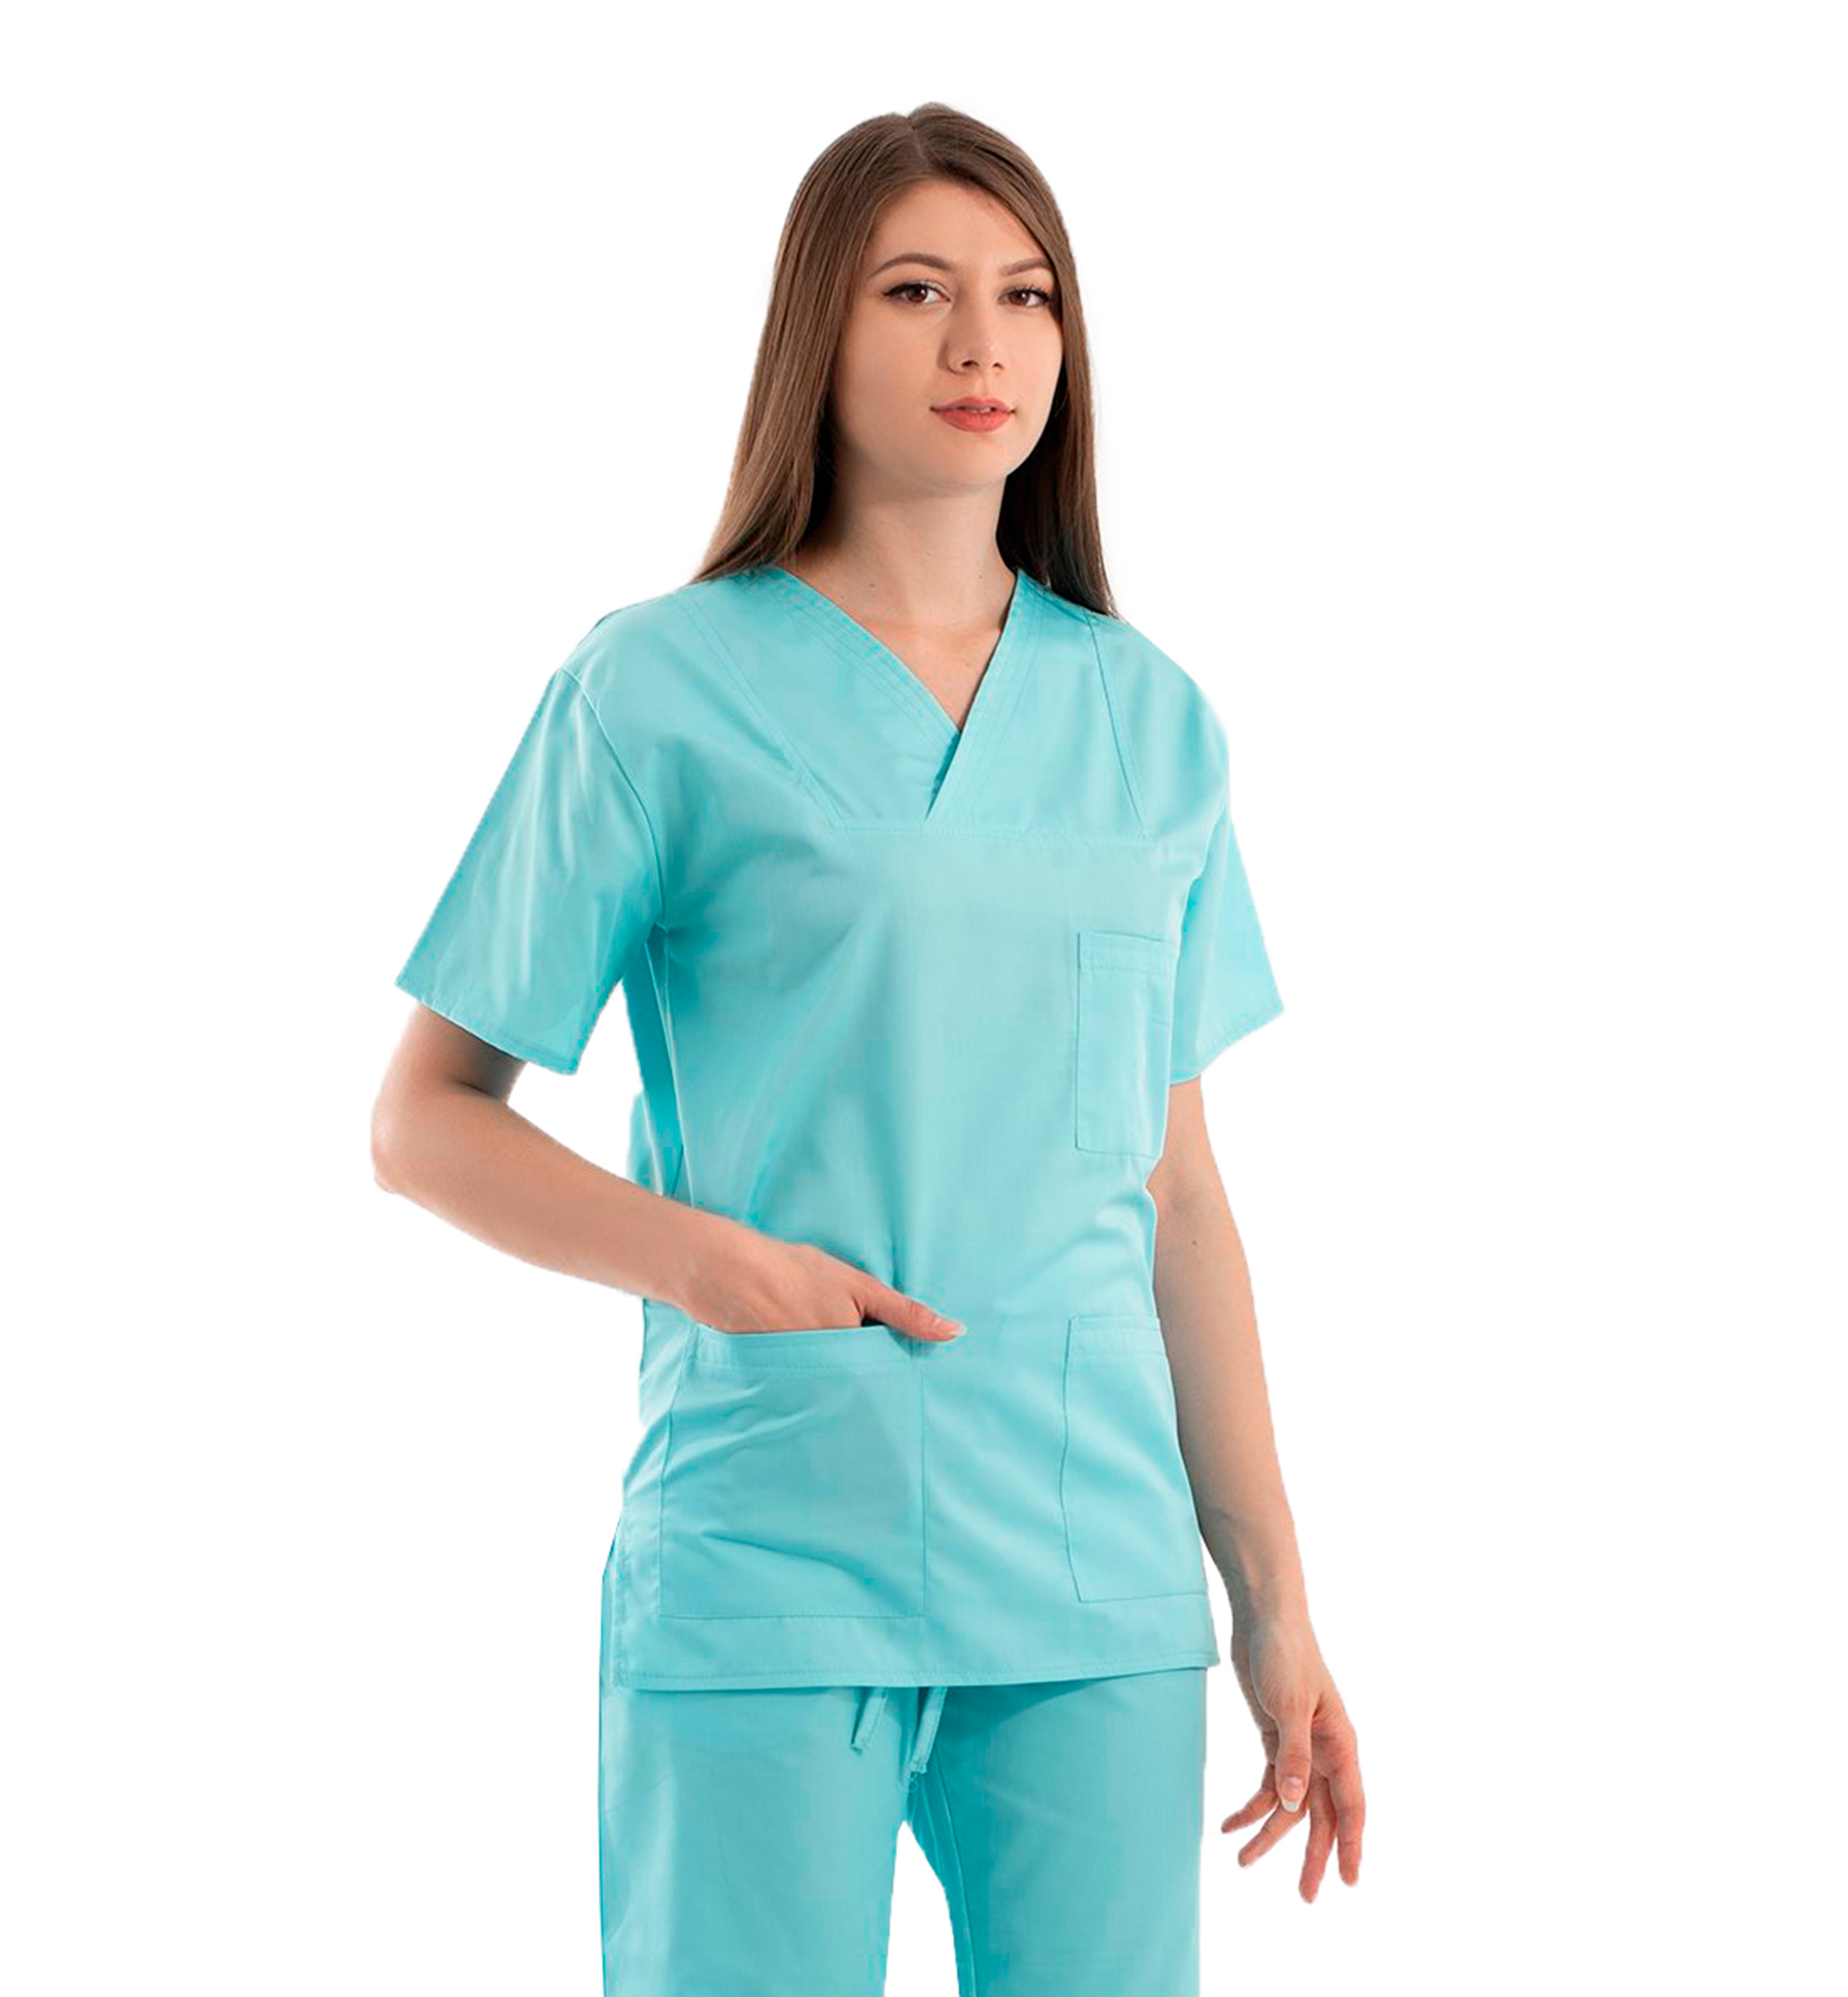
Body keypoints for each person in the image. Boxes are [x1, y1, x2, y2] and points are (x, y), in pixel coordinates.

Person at [371, 101, 1364, 1997]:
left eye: (1027, 295)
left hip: (1088, 1574)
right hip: (768, 1549)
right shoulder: (655, 689)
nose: (982, 343)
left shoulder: (1149, 721)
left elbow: (1180, 1202)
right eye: (917, 292)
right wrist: (707, 1265)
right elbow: (424, 1121)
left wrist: (1276, 1606)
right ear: (815, 331)